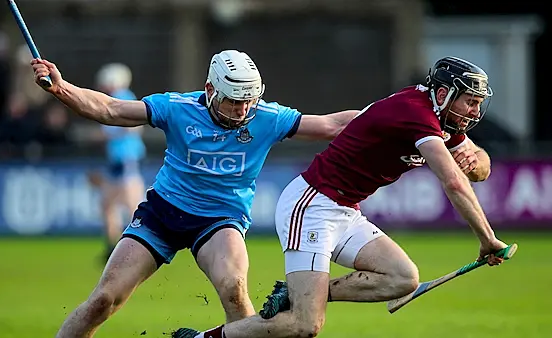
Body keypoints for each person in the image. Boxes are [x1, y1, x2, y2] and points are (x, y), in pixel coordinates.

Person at [173, 56, 510, 338]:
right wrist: (487, 239)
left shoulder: (443, 120)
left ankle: (296, 294)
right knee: (305, 325)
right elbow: (453, 181)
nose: (474, 111)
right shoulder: (416, 113)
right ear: (442, 93)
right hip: (312, 204)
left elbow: (477, 170)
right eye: (470, 101)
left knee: (403, 278)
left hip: (345, 210)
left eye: (479, 103)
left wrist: (476, 157)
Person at [31, 49, 358, 338]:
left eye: (248, 101)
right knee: (104, 300)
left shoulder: (267, 117)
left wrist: (395, 112)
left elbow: (331, 125)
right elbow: (111, 110)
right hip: (161, 213)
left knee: (234, 289)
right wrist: (61, 88)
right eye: (233, 101)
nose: (243, 110)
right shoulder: (177, 108)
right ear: (210, 90)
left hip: (220, 219)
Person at [93, 63, 147, 261]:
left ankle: (141, 246)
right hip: (119, 159)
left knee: (132, 204)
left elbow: (131, 128)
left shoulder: (124, 97)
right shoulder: (121, 98)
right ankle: (112, 247)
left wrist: (104, 135)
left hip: (127, 158)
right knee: (108, 204)